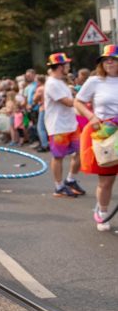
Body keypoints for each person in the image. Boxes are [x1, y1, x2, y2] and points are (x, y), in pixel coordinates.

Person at [75, 45, 118, 231]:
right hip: (106, 132)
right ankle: (102, 211)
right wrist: (90, 116)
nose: (109, 62)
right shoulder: (95, 81)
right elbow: (78, 101)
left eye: (113, 59)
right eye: (105, 59)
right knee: (107, 179)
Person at [44, 53, 85, 198]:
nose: (68, 66)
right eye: (66, 64)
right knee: (58, 157)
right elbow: (68, 102)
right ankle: (59, 186)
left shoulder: (60, 81)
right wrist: (83, 99)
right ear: (60, 67)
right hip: (57, 126)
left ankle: (70, 179)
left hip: (71, 124)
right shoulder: (51, 84)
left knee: (81, 151)